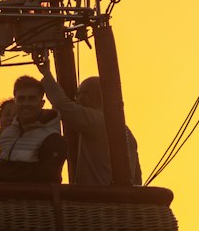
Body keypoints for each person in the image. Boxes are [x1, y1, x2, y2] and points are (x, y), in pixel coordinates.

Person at [33, 52, 142, 186]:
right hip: (120, 201)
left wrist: (46, 74)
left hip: (98, 199)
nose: (76, 100)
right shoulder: (127, 132)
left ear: (87, 97)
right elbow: (137, 177)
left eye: (78, 95)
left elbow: (63, 106)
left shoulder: (96, 122)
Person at [0, 75, 66, 183]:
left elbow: (48, 180)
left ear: (42, 103)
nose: (26, 103)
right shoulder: (7, 134)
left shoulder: (53, 138)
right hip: (3, 198)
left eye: (32, 99)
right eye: (21, 99)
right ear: (15, 102)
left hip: (34, 199)